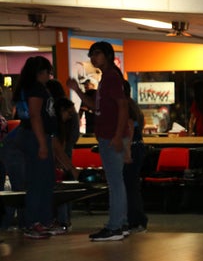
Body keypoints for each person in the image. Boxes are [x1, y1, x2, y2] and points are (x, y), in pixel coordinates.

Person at [67, 41, 130, 242]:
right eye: (91, 55)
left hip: (111, 136)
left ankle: (115, 227)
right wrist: (77, 90)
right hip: (110, 135)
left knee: (115, 183)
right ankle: (121, 224)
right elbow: (95, 106)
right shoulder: (107, 78)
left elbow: (123, 107)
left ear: (108, 56)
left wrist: (118, 136)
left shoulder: (111, 77)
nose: (93, 58)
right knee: (117, 182)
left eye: (97, 54)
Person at [12, 56, 58, 239]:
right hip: (35, 137)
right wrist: (41, 143)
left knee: (44, 179)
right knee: (39, 181)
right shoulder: (36, 89)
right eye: (48, 72)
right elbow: (35, 116)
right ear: (41, 72)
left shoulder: (27, 87)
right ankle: (34, 222)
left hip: (32, 136)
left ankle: (44, 220)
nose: (50, 76)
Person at [122, 80, 148, 233]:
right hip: (138, 146)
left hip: (132, 147)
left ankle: (135, 220)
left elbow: (129, 127)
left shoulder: (124, 105)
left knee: (129, 185)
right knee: (132, 186)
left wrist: (127, 151)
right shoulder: (133, 105)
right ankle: (138, 219)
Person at [52, 97, 81, 233]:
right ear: (61, 110)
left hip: (53, 164)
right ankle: (62, 221)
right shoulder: (56, 127)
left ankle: (61, 220)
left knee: (60, 190)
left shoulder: (57, 126)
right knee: (62, 191)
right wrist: (70, 167)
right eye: (69, 114)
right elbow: (58, 149)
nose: (70, 118)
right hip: (52, 163)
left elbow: (58, 150)